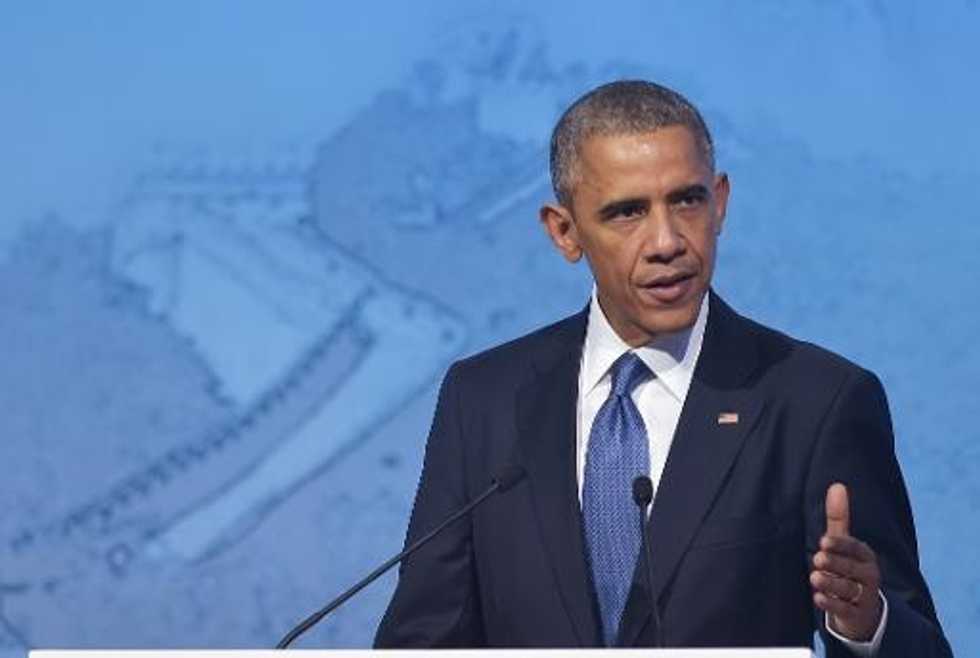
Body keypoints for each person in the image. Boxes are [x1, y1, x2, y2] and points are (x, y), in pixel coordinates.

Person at [374, 80, 951, 656]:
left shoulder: (816, 401)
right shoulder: (484, 399)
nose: (666, 241)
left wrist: (865, 624)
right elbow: (423, 638)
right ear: (564, 231)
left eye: (686, 201)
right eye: (628, 212)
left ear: (720, 202)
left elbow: (918, 641)